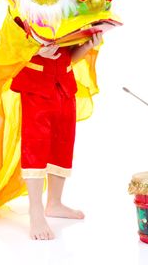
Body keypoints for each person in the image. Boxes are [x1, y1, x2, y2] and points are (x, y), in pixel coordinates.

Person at [11, 33, 102, 240]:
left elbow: (69, 56)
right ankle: (35, 209)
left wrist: (88, 44)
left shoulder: (70, 13)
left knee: (63, 141)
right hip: (36, 87)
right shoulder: (22, 11)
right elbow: (8, 51)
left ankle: (55, 202)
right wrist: (35, 51)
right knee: (35, 144)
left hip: (64, 84)